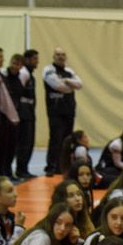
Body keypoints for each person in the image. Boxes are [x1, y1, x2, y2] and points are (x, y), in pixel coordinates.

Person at [42, 48, 81, 176]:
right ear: (53, 56)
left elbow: (80, 84)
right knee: (55, 138)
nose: (60, 57)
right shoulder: (48, 70)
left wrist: (67, 81)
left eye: (63, 54)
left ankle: (63, 166)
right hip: (55, 110)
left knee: (67, 139)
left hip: (69, 109)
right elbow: (58, 86)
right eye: (58, 54)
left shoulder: (69, 71)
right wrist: (70, 86)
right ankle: (51, 166)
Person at [8, 50, 38, 179]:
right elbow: (16, 93)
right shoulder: (24, 74)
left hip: (29, 112)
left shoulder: (31, 75)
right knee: (23, 143)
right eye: (34, 59)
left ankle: (23, 168)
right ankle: (21, 169)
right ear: (27, 60)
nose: (37, 61)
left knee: (28, 142)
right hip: (23, 112)